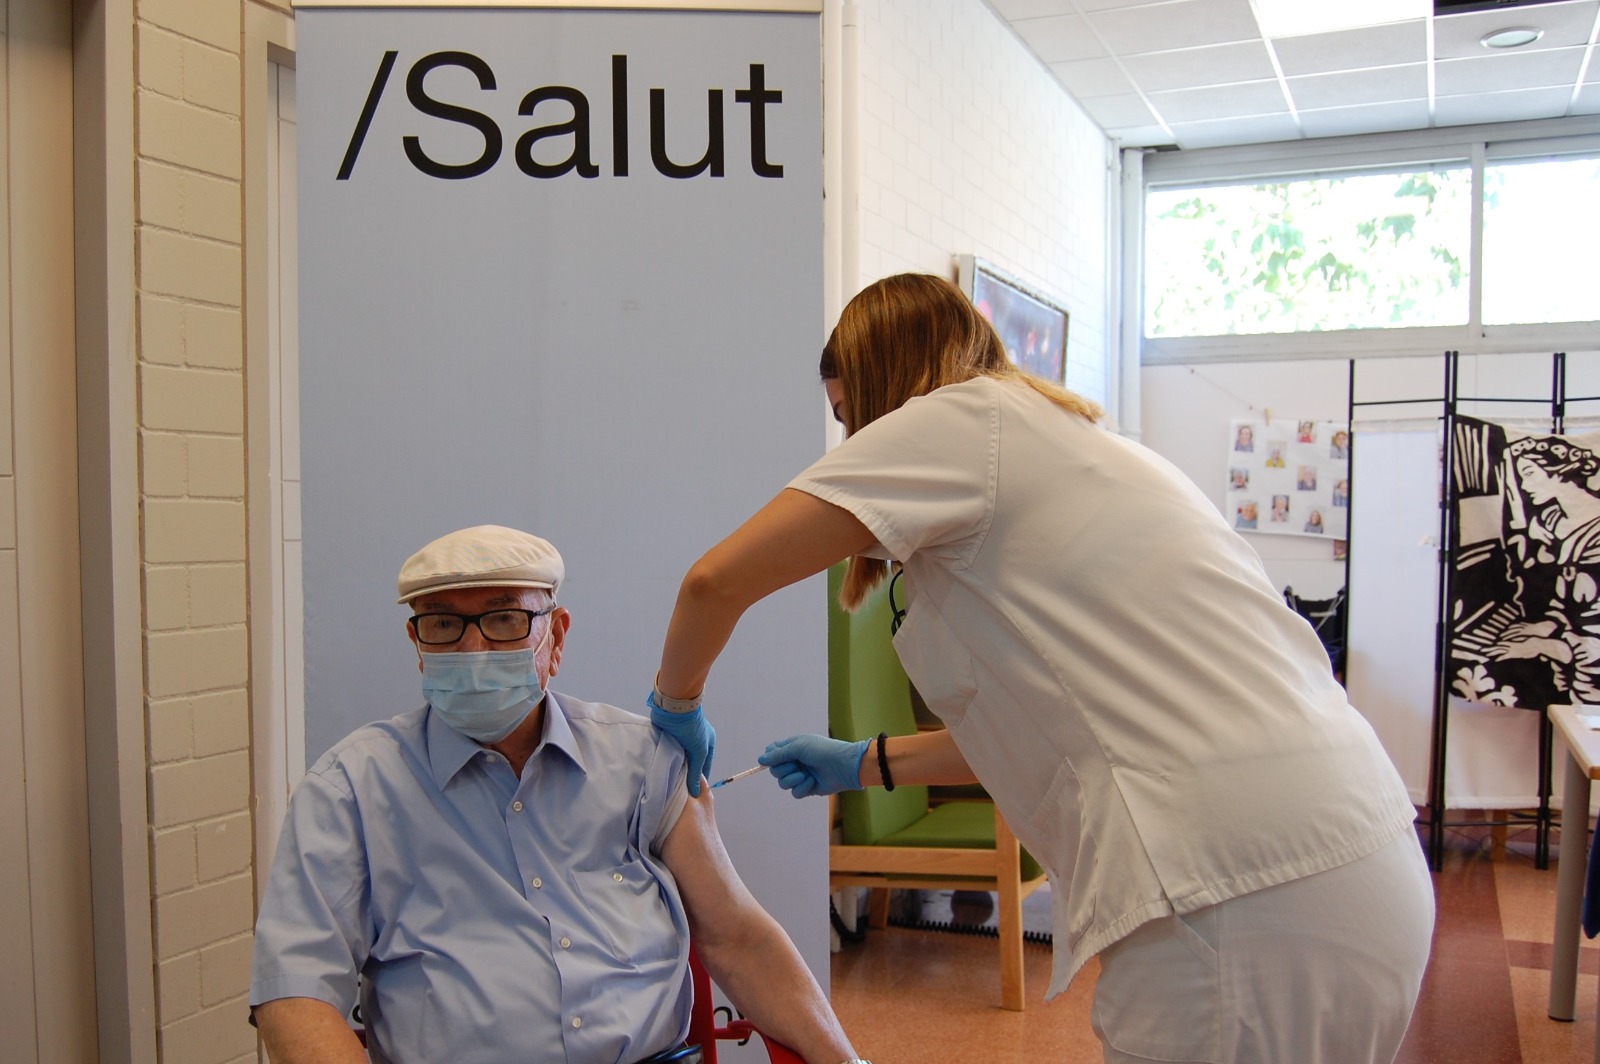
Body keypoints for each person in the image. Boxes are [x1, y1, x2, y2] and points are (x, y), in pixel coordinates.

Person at [647, 274, 1433, 1064]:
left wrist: (675, 703)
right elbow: (1048, 720)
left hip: (1238, 887)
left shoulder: (956, 422)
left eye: (851, 418)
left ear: (889, 391)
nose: (850, 444)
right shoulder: (1079, 443)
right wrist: (863, 763)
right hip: (1362, 854)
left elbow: (714, 582)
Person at [251, 526, 863, 1064]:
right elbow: (296, 994)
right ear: (417, 645)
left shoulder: (642, 760)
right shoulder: (350, 790)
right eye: (442, 624)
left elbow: (737, 936)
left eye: (504, 618)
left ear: (557, 636)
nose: (473, 650)